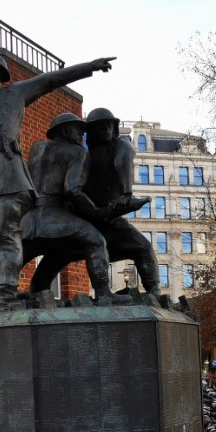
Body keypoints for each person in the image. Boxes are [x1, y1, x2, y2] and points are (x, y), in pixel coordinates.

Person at [0, 18, 115, 311]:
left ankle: (4, 294)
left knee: (3, 235)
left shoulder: (15, 94)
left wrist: (90, 67)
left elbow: (53, 79)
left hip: (12, 179)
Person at [21, 113, 126, 304]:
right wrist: (94, 212)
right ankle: (104, 294)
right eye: (78, 129)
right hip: (54, 214)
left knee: (16, 257)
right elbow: (73, 190)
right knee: (96, 241)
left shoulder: (37, 148)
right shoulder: (78, 152)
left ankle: (9, 293)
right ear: (65, 129)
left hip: (29, 219)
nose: (82, 134)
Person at [83, 108, 159, 297]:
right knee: (55, 259)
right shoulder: (84, 154)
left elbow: (123, 160)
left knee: (143, 247)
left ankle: (154, 292)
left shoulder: (119, 145)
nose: (106, 129)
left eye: (109, 125)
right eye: (100, 126)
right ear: (90, 131)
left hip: (109, 218)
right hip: (87, 218)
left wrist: (127, 192)